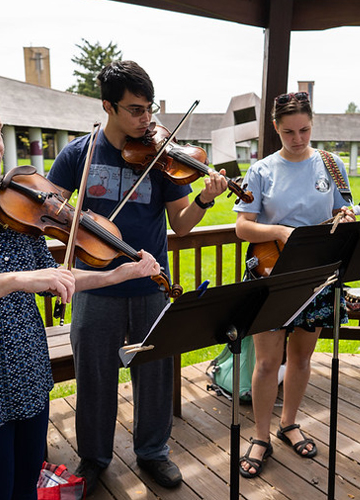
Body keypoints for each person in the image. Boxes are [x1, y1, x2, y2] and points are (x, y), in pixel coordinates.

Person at [0, 63, 163, 500]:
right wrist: (15, 279)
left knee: (25, 492)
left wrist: (119, 272)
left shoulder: (5, 199)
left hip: (25, 381)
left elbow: (51, 274)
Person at [46, 60, 228, 493]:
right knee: (94, 376)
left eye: (149, 109)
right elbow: (47, 208)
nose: (146, 120)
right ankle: (93, 456)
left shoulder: (162, 158)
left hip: (151, 285)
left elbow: (181, 225)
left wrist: (203, 197)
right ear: (108, 106)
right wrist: (67, 220)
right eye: (134, 110)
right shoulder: (78, 154)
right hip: (96, 288)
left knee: (156, 373)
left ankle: (153, 453)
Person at [233, 91, 355, 478]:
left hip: (316, 275)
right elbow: (242, 226)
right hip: (269, 274)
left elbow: (340, 212)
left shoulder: (332, 166)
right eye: (289, 132)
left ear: (312, 124)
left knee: (302, 358)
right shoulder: (262, 170)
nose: (298, 139)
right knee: (268, 362)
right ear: (275, 129)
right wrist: (279, 231)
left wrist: (347, 216)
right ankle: (261, 435)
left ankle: (289, 423)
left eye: (304, 130)